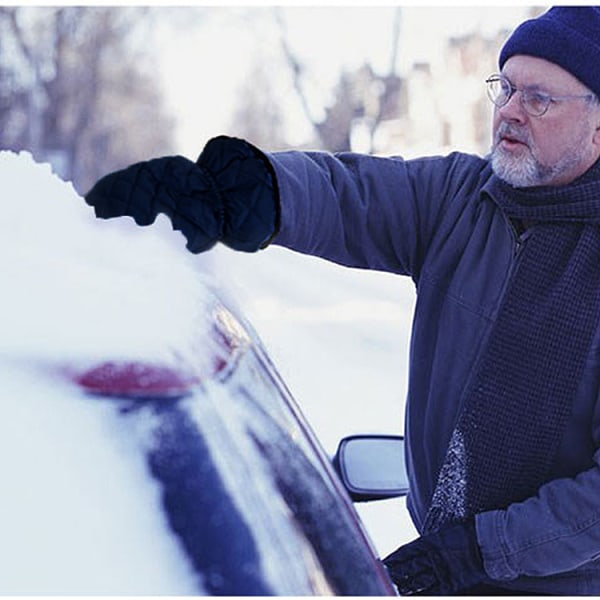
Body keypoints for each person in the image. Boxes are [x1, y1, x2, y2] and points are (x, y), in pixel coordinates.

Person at [85, 6, 600, 595]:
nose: (508, 109)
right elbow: (348, 194)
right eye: (504, 88)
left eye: (538, 98)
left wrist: (480, 552)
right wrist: (234, 194)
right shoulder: (463, 198)